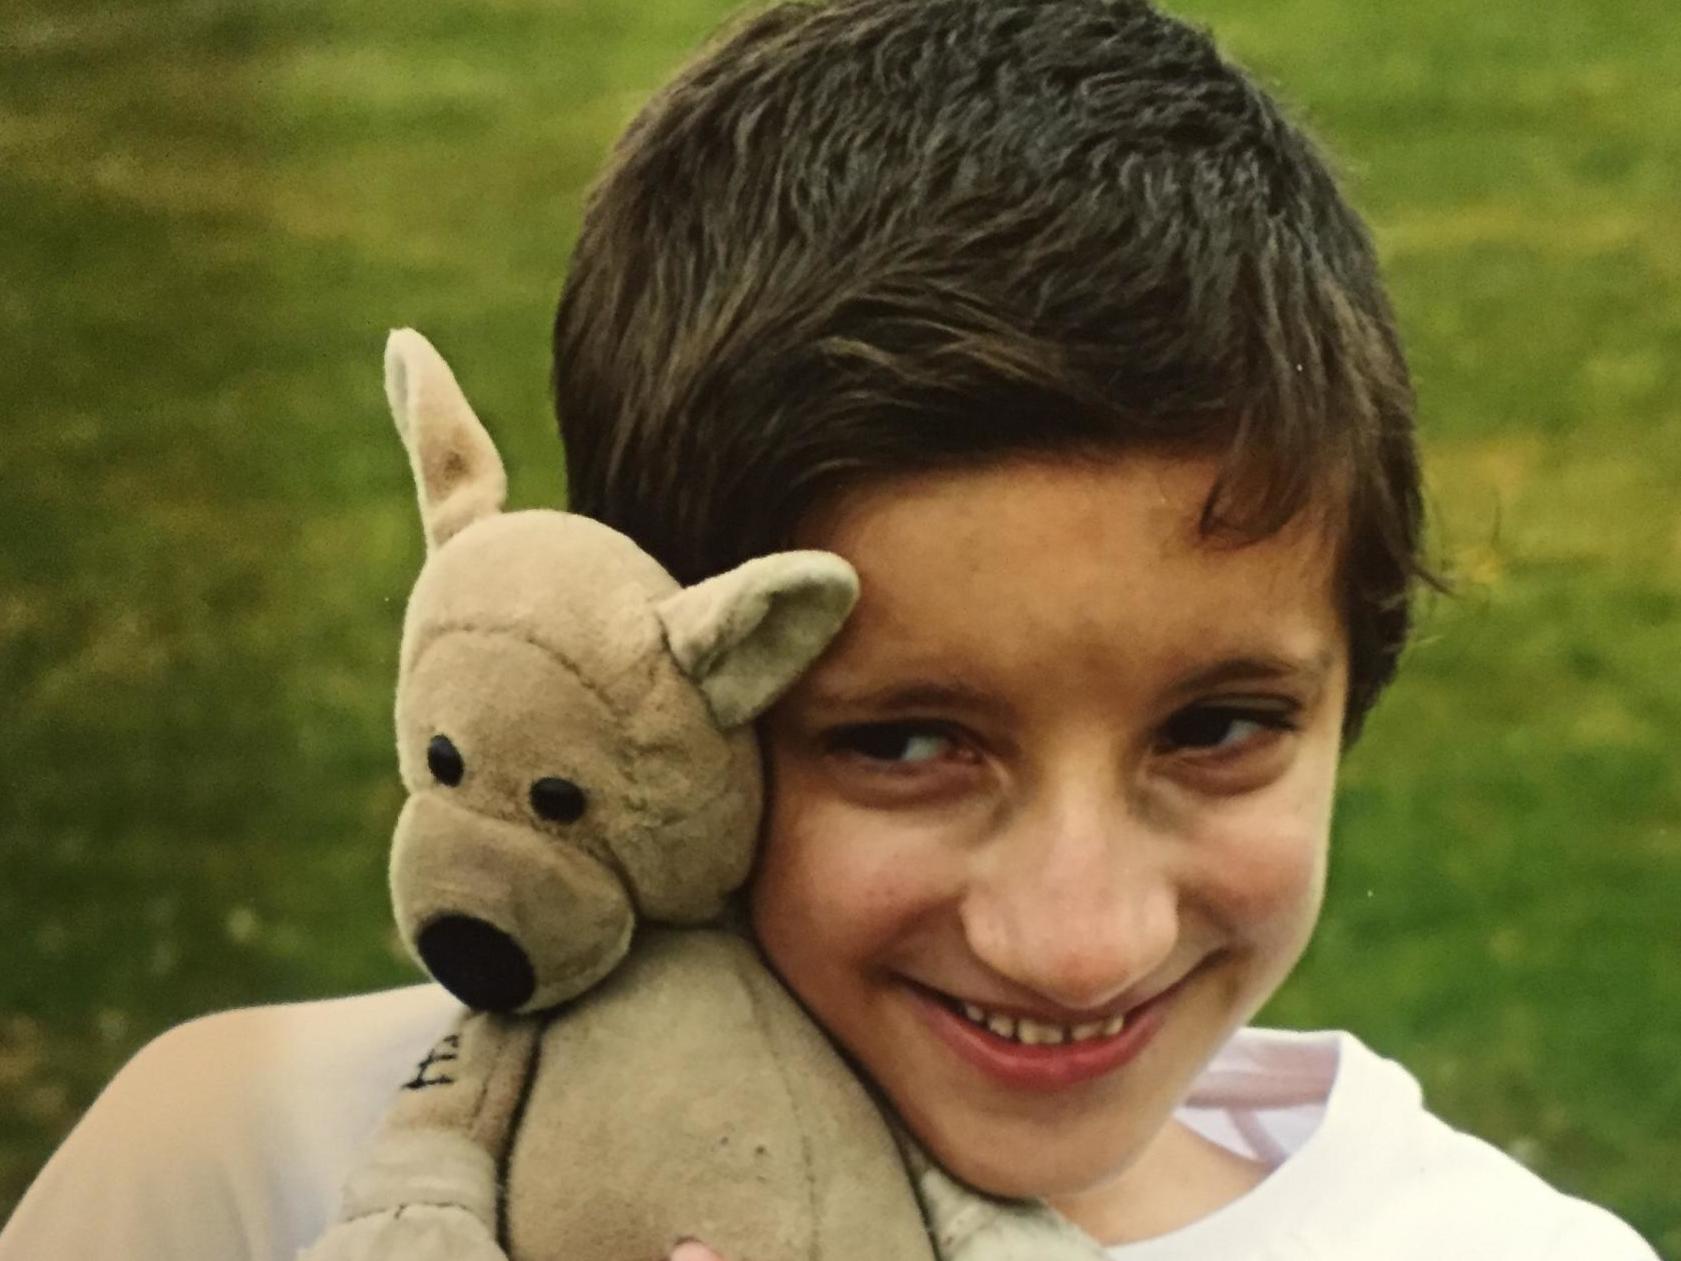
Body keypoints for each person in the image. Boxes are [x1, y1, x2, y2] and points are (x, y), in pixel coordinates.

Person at [0, 1, 1658, 1257]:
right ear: (658, 687)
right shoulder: (246, 1174)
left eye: (1217, 725)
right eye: (906, 739)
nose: (1075, 940)